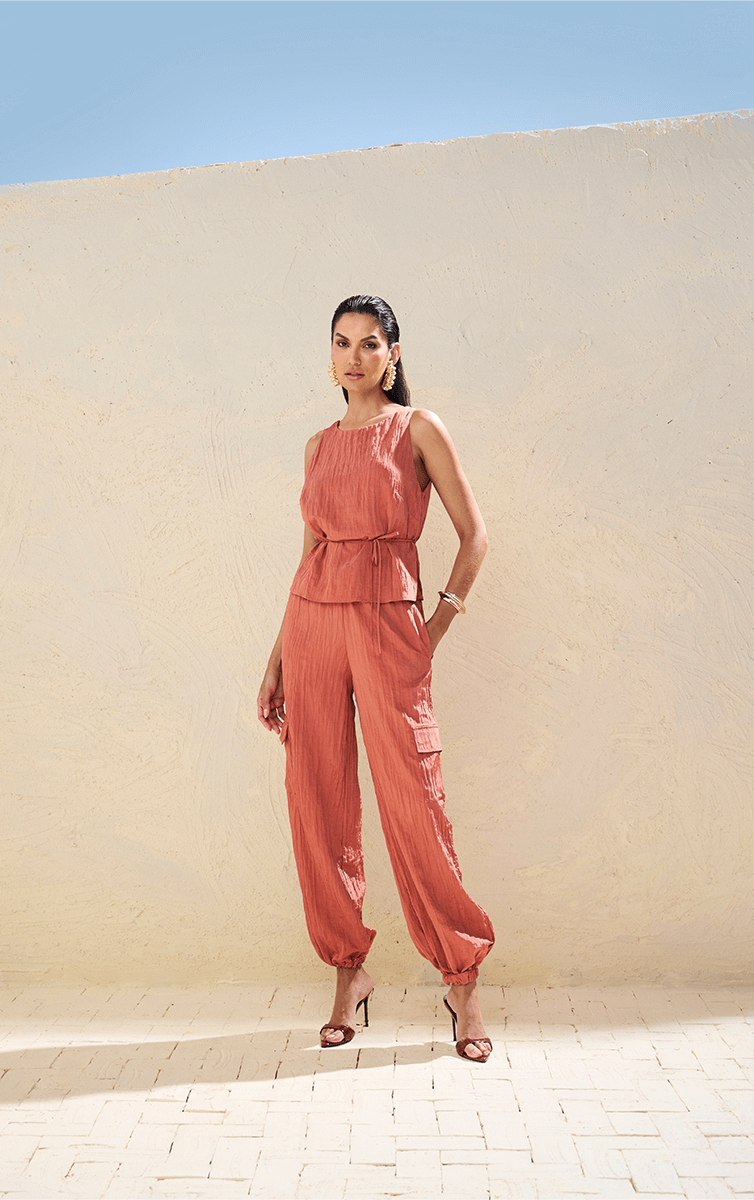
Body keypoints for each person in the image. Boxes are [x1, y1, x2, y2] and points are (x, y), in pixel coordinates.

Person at [257, 295, 494, 1061]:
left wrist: (435, 627)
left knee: (414, 800)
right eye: (341, 343)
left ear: (393, 352)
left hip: (390, 627)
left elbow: (474, 535)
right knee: (317, 801)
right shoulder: (317, 447)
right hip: (314, 627)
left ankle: (462, 980)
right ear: (329, 356)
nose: (353, 356)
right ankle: (347, 974)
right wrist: (278, 658)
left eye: (368, 343)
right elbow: (309, 556)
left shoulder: (418, 429)